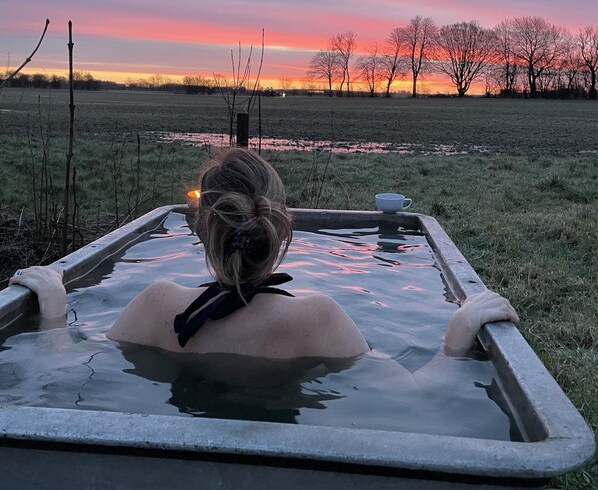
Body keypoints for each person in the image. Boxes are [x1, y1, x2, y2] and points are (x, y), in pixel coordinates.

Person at [9, 147, 518, 360]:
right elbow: (414, 400)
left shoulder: (155, 304)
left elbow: (68, 367)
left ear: (199, 230)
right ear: (281, 228)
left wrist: (53, 311)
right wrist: (456, 339)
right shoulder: (319, 319)